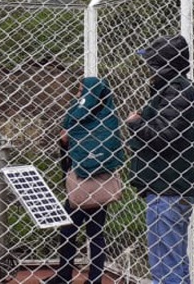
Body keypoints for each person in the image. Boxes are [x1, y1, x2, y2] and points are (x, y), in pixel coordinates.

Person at [127, 34, 194, 284]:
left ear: (162, 65)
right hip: (174, 184)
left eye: (151, 63)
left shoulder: (176, 89)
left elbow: (165, 135)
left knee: (164, 262)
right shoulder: (181, 89)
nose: (148, 69)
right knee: (175, 258)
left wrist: (137, 123)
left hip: (167, 187)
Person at [43, 77, 124, 284]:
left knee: (69, 229)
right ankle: (95, 278)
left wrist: (66, 141)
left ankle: (65, 275)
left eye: (81, 91)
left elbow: (67, 143)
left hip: (80, 181)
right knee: (96, 232)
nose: (78, 95)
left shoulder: (76, 116)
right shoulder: (108, 116)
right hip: (102, 182)